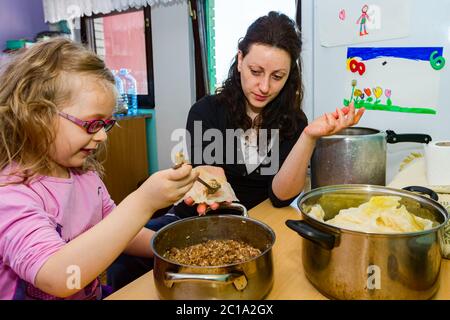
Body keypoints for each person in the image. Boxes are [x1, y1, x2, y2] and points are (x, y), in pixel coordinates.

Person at [107, 11, 365, 289]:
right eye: (256, 72)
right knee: (123, 266)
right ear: (240, 60)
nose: (264, 87)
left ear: (290, 76)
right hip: (197, 220)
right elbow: (206, 180)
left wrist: (308, 137)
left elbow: (280, 197)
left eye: (277, 76)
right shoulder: (207, 111)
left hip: (252, 224)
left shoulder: (293, 120)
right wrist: (203, 176)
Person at [0, 38, 198, 300]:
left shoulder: (86, 177)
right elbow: (58, 276)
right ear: (37, 115)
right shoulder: (10, 195)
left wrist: (174, 250)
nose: (103, 136)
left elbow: (122, 233)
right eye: (92, 124)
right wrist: (143, 202)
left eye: (106, 124)